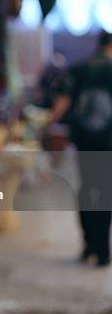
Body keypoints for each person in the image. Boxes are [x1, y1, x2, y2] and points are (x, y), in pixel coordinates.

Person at [49, 30, 112, 267]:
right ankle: (103, 250)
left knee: (86, 187)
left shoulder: (80, 67)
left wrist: (48, 125)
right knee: (104, 190)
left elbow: (62, 103)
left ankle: (88, 246)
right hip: (107, 142)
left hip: (84, 141)